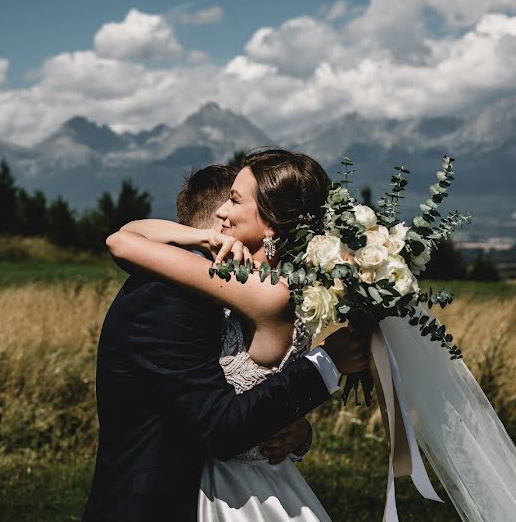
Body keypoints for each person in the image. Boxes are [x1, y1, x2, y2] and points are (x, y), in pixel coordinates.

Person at [83, 156, 369, 522]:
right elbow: (122, 240)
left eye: (235, 201)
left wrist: (298, 429)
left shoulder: (267, 295)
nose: (222, 213)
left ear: (270, 224)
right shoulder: (185, 293)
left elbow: (122, 240)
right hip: (179, 496)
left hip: (235, 491)